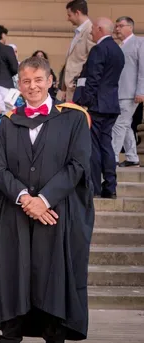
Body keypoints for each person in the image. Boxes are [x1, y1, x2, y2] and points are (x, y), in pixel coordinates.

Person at [0, 56, 94, 343]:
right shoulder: (7, 122)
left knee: (54, 278)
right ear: (19, 84)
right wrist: (24, 198)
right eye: (25, 81)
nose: (31, 86)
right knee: (12, 275)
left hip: (56, 215)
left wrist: (44, 199)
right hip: (16, 213)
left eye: (38, 80)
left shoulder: (71, 120)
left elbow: (78, 165)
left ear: (50, 81)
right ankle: (8, 342)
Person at [74, 17, 125, 198]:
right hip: (111, 105)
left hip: (96, 106)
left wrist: (84, 102)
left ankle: (95, 187)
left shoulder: (98, 49)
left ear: (101, 29)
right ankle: (110, 187)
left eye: (94, 28)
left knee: (94, 147)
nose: (91, 31)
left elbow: (93, 79)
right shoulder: (118, 50)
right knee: (106, 146)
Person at [112, 16, 143, 168]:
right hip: (119, 92)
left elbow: (143, 69)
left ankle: (112, 157)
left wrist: (141, 91)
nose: (117, 29)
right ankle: (132, 156)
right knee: (126, 124)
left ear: (130, 27)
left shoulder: (140, 42)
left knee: (118, 124)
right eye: (116, 26)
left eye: (120, 26)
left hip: (131, 93)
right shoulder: (119, 46)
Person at [61, 0, 95, 102]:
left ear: (77, 13)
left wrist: (80, 81)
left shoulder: (90, 30)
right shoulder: (79, 31)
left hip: (78, 86)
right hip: (70, 86)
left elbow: (92, 59)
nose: (68, 19)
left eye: (69, 15)